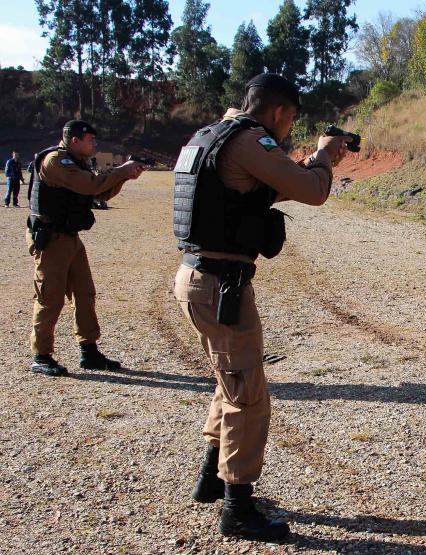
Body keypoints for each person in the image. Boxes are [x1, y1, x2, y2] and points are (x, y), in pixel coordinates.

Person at [173, 73, 349, 541]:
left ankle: (211, 479)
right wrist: (326, 159)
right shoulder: (250, 140)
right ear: (279, 113)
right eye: (289, 120)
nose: (287, 129)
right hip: (219, 284)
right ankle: (238, 509)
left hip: (199, 277)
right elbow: (311, 191)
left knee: (231, 378)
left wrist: (311, 160)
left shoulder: (210, 136)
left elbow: (268, 187)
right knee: (248, 395)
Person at [27, 120, 145, 376]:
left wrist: (125, 176)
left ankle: (89, 351)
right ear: (75, 140)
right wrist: (122, 171)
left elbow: (99, 194)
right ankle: (41, 355)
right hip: (51, 239)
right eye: (90, 140)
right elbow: (90, 185)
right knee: (50, 297)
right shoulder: (56, 161)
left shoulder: (78, 163)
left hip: (69, 237)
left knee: (84, 294)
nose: (94, 144)